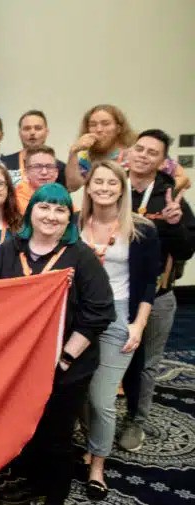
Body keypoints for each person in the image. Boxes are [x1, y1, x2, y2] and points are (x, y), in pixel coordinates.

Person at [0, 183, 115, 505]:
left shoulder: (81, 257)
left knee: (57, 432)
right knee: (28, 427)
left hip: (67, 365)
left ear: (68, 218)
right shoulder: (10, 249)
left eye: (60, 209)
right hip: (22, 363)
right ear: (31, 210)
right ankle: (33, 483)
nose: (51, 215)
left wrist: (63, 360)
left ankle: (55, 493)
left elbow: (100, 313)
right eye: (44, 207)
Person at [77, 160, 160, 500]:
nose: (105, 188)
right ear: (89, 186)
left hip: (118, 316)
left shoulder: (141, 230)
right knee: (78, 391)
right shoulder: (75, 223)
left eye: (113, 182)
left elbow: (149, 283)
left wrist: (138, 324)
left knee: (102, 399)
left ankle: (97, 466)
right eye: (99, 181)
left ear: (122, 188)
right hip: (79, 317)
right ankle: (91, 441)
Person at [119, 129, 195, 452]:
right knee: (107, 359)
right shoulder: (112, 185)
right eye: (140, 148)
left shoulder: (170, 197)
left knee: (147, 362)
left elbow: (187, 250)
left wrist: (175, 224)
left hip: (158, 295)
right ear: (130, 152)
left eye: (152, 152)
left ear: (163, 162)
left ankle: (137, 421)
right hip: (114, 293)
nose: (143, 155)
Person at [66, 104, 135, 189]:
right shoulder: (85, 156)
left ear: (118, 128)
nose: (98, 129)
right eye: (93, 125)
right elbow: (73, 187)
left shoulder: (132, 155)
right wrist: (73, 152)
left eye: (105, 124)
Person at [0, 110, 68, 188]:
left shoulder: (59, 167)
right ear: (20, 133)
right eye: (27, 128)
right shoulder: (3, 164)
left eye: (38, 128)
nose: (32, 132)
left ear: (46, 132)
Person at [14, 145, 62, 212]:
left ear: (56, 173)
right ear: (26, 173)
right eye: (37, 167)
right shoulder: (15, 201)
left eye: (49, 166)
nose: (44, 172)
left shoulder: (61, 195)